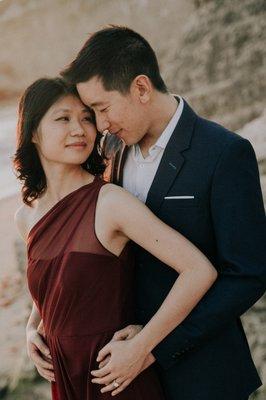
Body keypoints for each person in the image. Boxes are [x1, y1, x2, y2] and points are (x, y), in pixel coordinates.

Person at [59, 26, 266, 400]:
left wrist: (153, 346)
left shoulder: (224, 153)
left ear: (140, 88)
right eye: (92, 112)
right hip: (128, 376)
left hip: (204, 376)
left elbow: (248, 275)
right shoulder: (111, 152)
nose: (101, 124)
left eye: (103, 108)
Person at [14, 77, 218, 400]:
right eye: (63, 118)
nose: (79, 129)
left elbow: (198, 270)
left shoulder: (110, 203)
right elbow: (55, 287)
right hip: (67, 378)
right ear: (33, 132)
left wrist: (143, 345)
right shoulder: (26, 216)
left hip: (117, 377)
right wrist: (32, 328)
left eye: (86, 118)